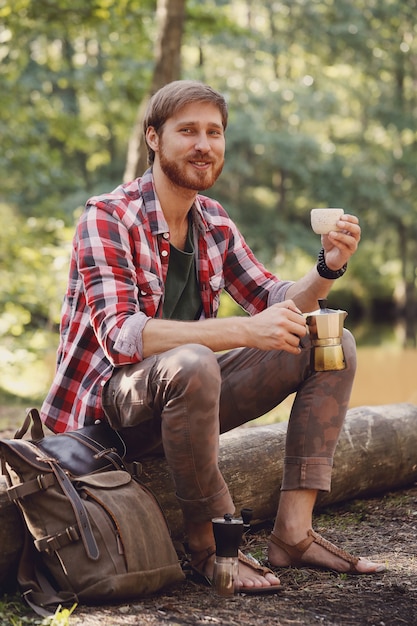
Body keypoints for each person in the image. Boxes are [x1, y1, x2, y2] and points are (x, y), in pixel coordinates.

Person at [41, 79, 385, 593]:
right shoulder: (108, 217)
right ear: (154, 138)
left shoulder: (214, 222)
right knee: (195, 361)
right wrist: (245, 330)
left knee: (330, 342)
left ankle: (293, 532)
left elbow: (276, 298)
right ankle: (208, 546)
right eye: (188, 131)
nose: (204, 144)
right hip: (103, 423)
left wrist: (328, 267)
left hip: (180, 406)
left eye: (214, 132)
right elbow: (120, 336)